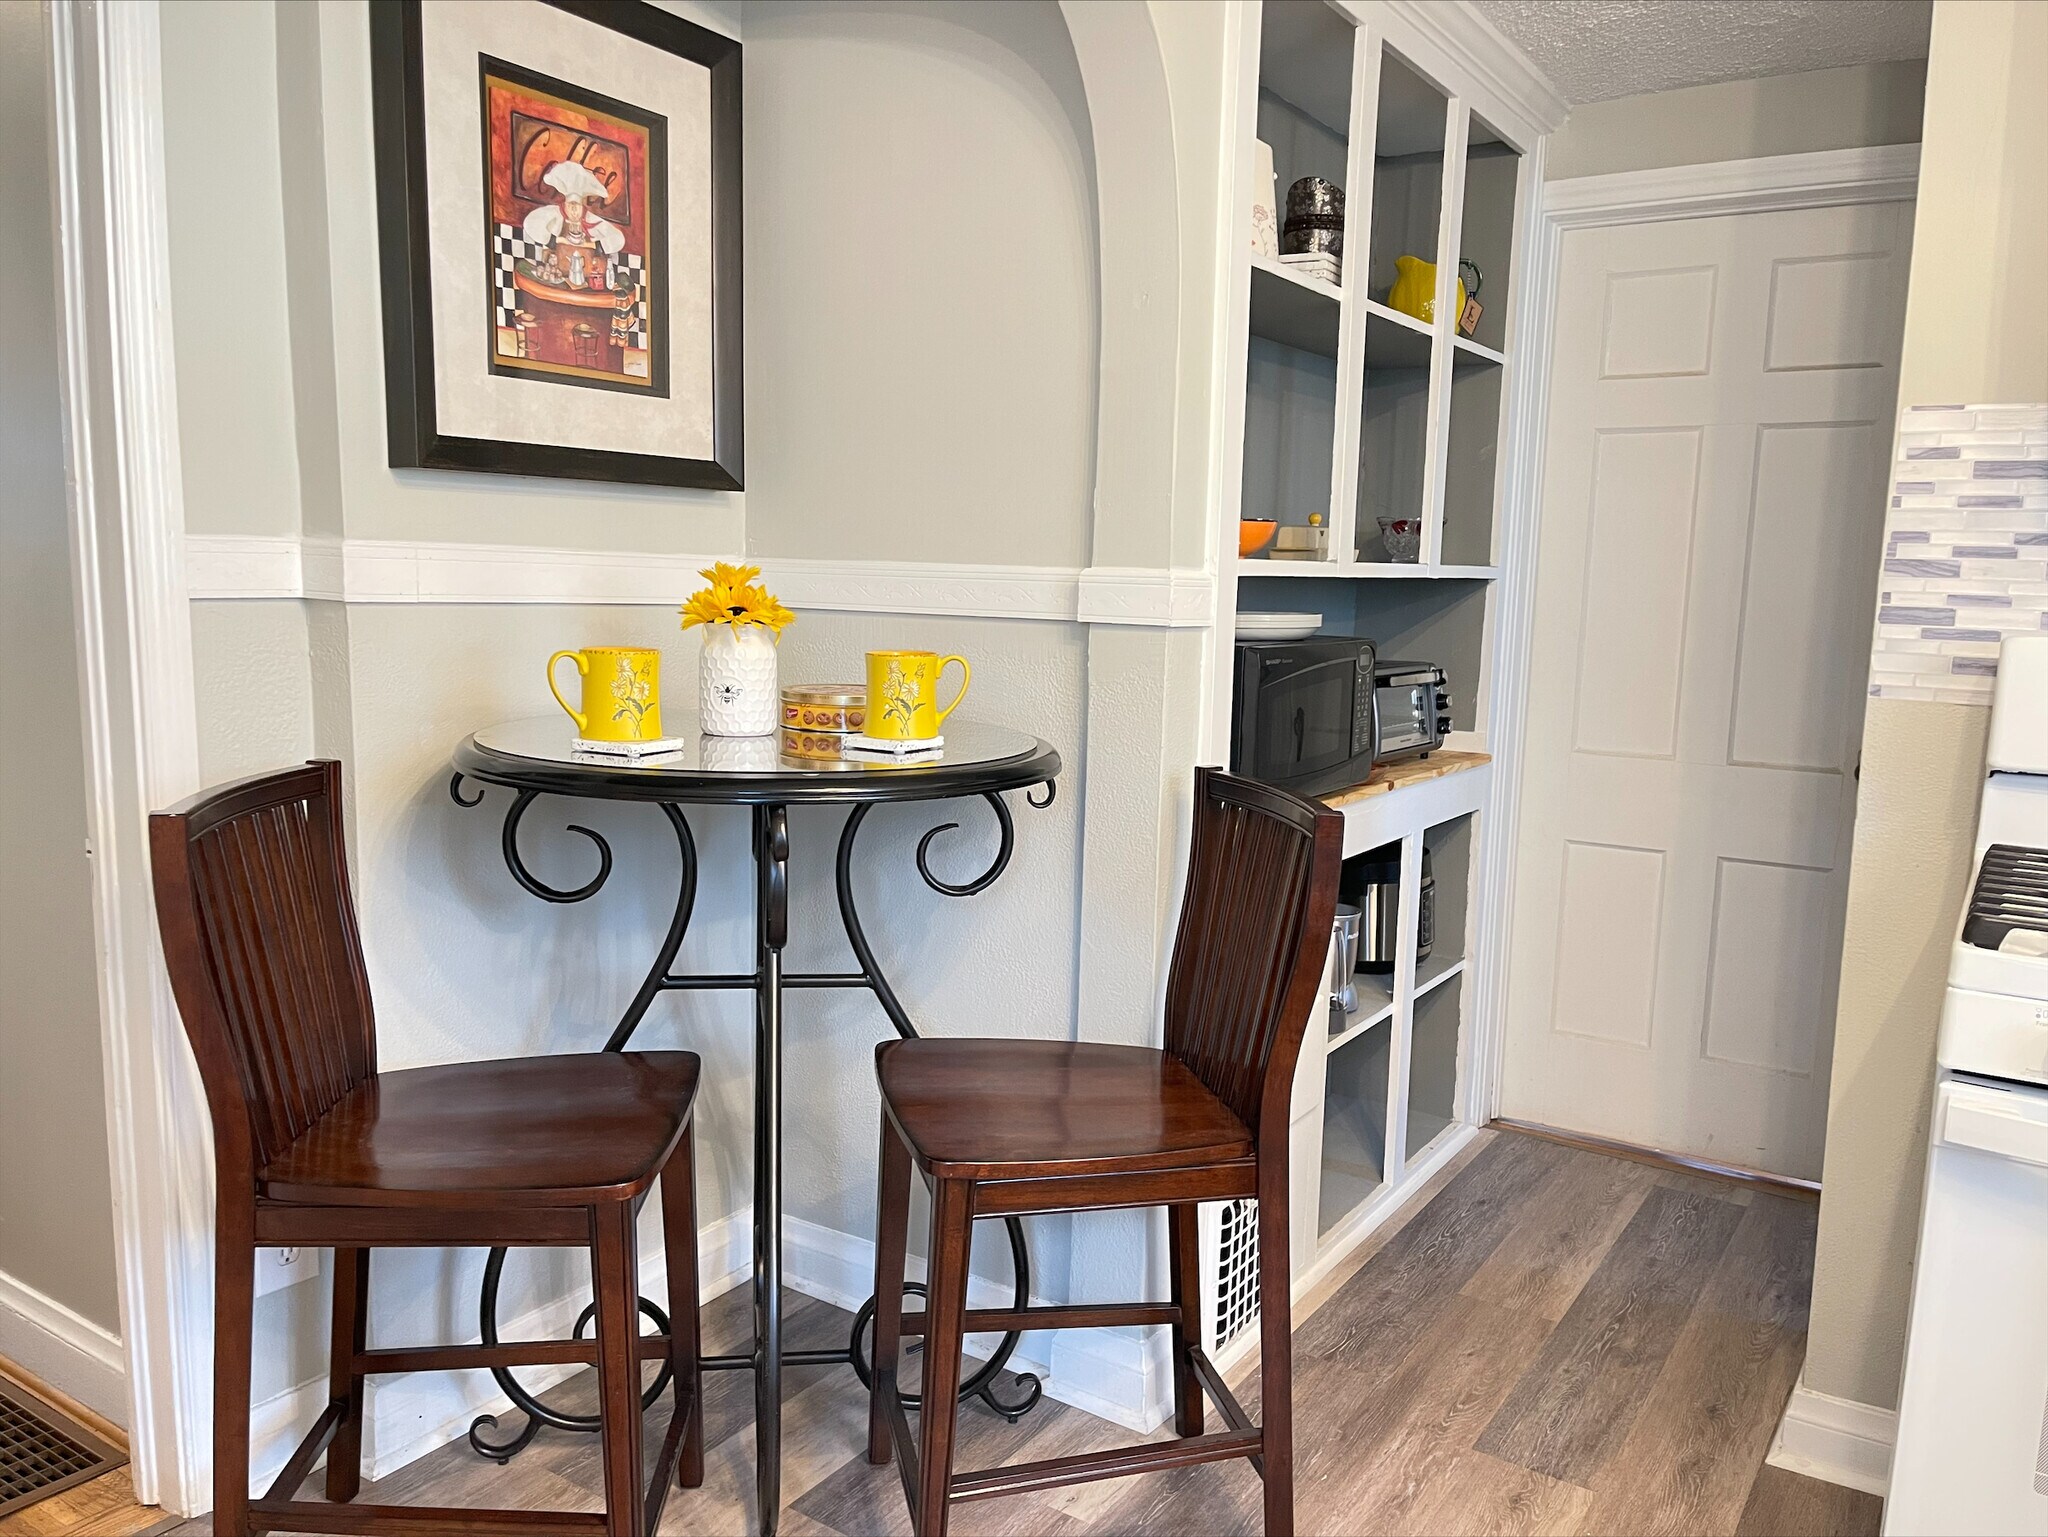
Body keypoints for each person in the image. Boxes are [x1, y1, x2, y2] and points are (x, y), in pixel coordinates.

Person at [521, 159, 626, 271]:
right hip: (555, 268)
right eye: (571, 205)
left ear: (582, 207)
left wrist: (593, 246)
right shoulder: (553, 213)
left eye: (577, 206)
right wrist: (555, 241)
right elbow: (530, 223)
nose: (574, 211)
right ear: (565, 204)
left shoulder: (590, 219)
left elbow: (618, 239)